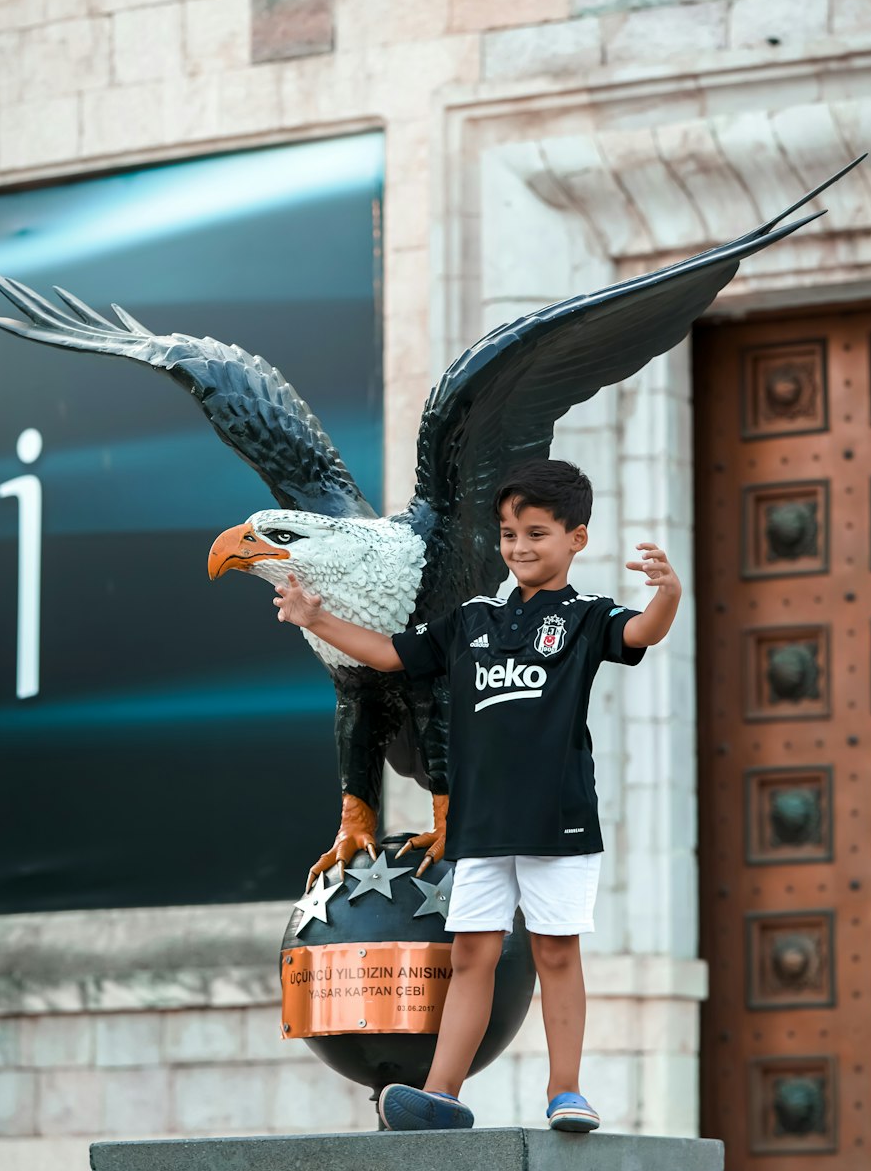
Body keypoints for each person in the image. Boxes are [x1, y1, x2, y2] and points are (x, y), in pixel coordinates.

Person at [273, 459, 681, 1135]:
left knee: (555, 953)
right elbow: (387, 656)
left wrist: (667, 594)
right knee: (471, 955)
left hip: (558, 821)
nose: (519, 548)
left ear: (577, 538)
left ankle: (567, 1093)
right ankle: (441, 1095)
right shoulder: (470, 620)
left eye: (537, 533)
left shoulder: (584, 618)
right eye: (509, 534)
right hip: (477, 826)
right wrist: (315, 619)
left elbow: (640, 633)